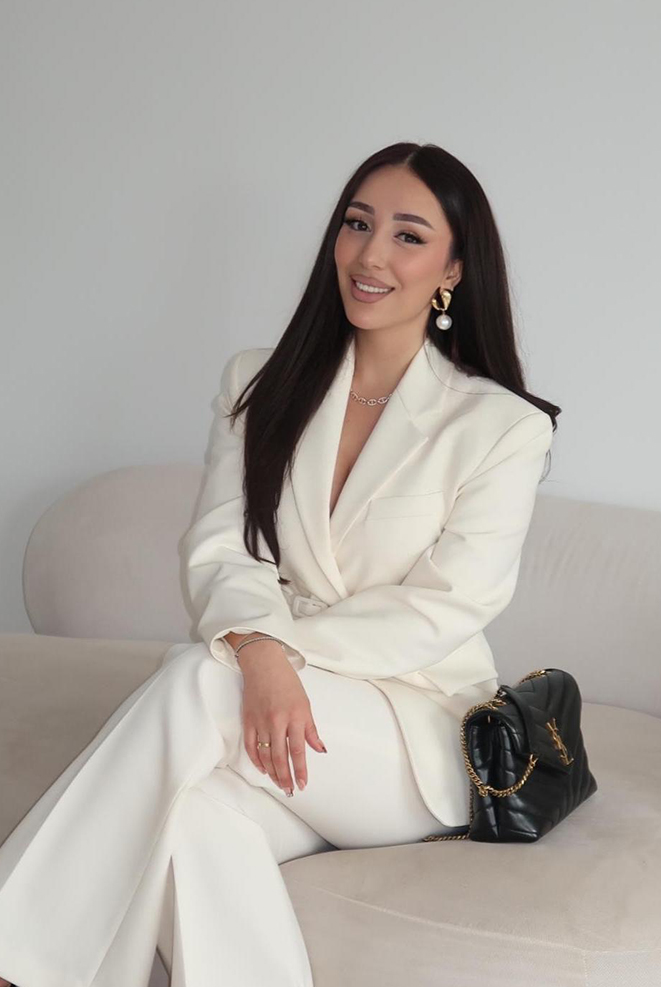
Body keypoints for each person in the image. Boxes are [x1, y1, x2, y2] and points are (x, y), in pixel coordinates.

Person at [0, 141, 560, 987]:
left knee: (200, 677)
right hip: (277, 707)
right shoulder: (258, 381)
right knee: (194, 820)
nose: (370, 255)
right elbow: (220, 546)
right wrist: (260, 654)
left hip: (410, 735)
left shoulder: (500, 425)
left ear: (453, 269)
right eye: (357, 224)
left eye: (408, 236)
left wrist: (271, 652)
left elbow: (449, 604)